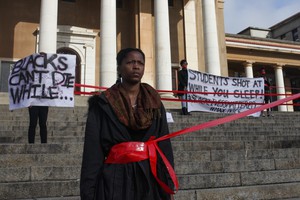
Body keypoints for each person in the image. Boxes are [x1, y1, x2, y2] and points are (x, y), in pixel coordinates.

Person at [80, 48, 175, 200]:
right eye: (130, 62)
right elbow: (92, 154)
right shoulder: (102, 104)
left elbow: (164, 147)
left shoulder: (155, 103)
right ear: (119, 68)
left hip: (151, 179)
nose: (136, 66)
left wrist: (168, 184)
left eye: (140, 63)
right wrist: (88, 193)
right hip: (115, 181)